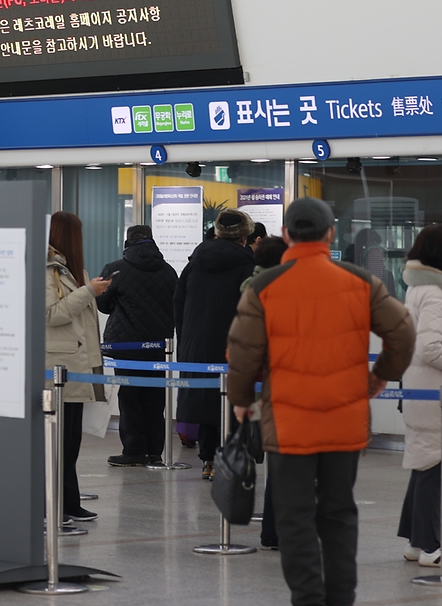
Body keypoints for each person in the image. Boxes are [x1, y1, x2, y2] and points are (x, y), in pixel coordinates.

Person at [227, 197, 415, 606]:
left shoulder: (263, 287)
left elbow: (242, 352)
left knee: (294, 520)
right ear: (330, 234)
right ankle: (341, 598)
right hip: (344, 423)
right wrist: (381, 375)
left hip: (289, 426)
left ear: (286, 235)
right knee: (339, 514)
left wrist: (241, 399)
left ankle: (308, 599)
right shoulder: (362, 282)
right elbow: (402, 333)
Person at [397, 224, 442, 567]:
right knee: (432, 466)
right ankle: (431, 547)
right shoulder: (436, 293)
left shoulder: (425, 289)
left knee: (426, 463)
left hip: (426, 386)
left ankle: (416, 542)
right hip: (434, 389)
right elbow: (430, 347)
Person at [175, 208, 255, 480]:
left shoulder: (194, 263)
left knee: (206, 402)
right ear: (244, 237)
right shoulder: (247, 266)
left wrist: (186, 340)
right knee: (234, 403)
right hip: (234, 346)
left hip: (196, 345)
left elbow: (179, 302)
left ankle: (208, 459)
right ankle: (230, 460)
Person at [46, 211, 111, 523]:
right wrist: (88, 292)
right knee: (58, 445)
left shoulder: (73, 271)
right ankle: (54, 506)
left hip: (75, 366)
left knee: (71, 444)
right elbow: (50, 315)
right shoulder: (46, 271)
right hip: (57, 368)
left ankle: (69, 502)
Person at [97, 224, 178, 466]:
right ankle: (154, 451)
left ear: (127, 242)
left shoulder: (116, 269)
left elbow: (102, 303)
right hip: (158, 345)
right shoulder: (169, 271)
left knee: (130, 396)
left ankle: (133, 451)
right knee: (154, 398)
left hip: (126, 344)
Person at [238, 234, 289, 551]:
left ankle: (272, 530)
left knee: (274, 455)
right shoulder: (281, 289)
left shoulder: (248, 287)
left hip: (257, 380)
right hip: (282, 380)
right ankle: (278, 529)